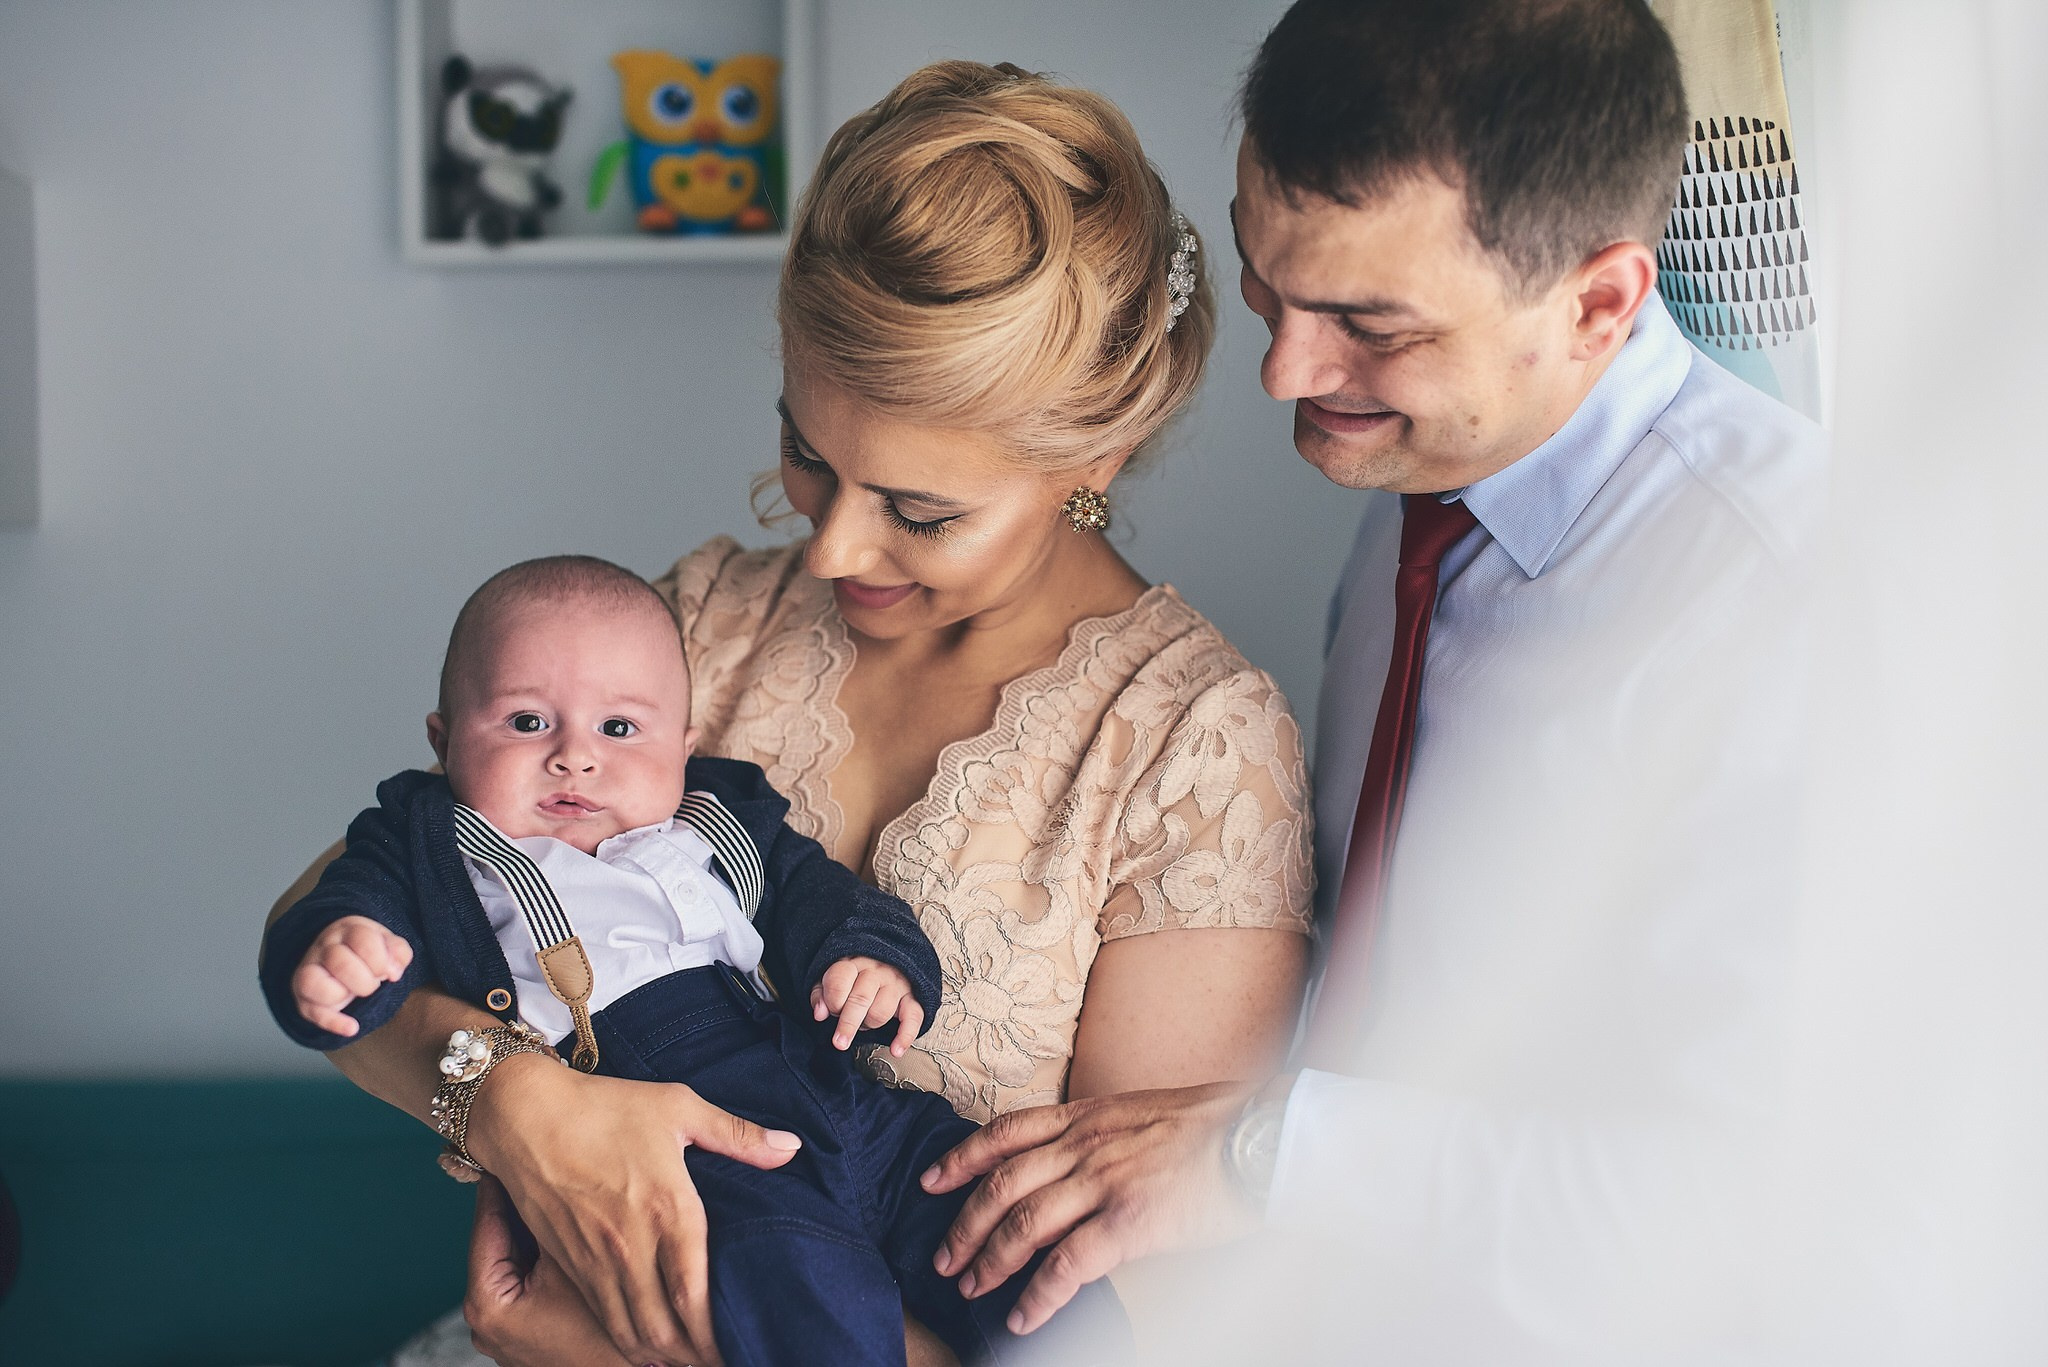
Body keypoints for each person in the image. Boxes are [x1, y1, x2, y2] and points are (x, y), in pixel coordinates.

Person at [264, 61, 1313, 1367]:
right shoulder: (706, 620)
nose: (829, 550)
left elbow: (1143, 1319)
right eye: (808, 452)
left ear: (1089, 459)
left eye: (922, 509)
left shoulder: (1190, 747)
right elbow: (343, 921)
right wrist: (515, 1101)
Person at [919, 0, 1826, 1357]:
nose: (1287, 370)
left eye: (1368, 323)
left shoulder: (1795, 606)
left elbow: (1778, 1197)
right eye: (1268, 283)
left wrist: (1265, 1156)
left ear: (1598, 300)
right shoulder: (1432, 481)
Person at [258, 555, 1127, 1366]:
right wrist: (338, 953)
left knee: (1007, 1225)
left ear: (684, 743)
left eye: (620, 727)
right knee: (801, 1286)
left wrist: (868, 955)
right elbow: (334, 917)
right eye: (526, 721)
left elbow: (813, 893)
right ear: (444, 741)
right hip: (678, 1141)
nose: (575, 752)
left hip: (840, 1095)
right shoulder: (433, 840)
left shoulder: (718, 817)